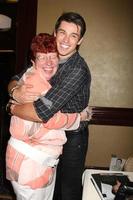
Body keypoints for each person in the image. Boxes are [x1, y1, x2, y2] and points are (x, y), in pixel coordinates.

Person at [8, 12, 91, 200]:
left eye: (73, 35)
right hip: (46, 137)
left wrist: (11, 108)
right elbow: (17, 77)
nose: (66, 40)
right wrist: (15, 92)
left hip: (72, 136)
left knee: (67, 191)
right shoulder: (49, 56)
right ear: (55, 33)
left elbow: (42, 113)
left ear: (80, 41)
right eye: (62, 32)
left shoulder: (77, 69)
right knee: (47, 188)